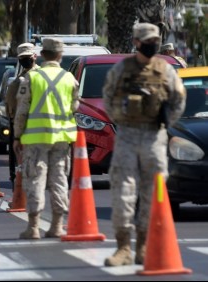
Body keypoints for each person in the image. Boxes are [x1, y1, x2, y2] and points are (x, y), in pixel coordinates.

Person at [102, 23, 186, 266]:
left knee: (154, 192)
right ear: (136, 42)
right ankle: (123, 247)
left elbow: (179, 99)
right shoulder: (122, 69)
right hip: (128, 136)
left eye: (155, 40)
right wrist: (121, 120)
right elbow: (108, 97)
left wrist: (165, 122)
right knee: (123, 191)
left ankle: (144, 245)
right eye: (147, 40)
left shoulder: (166, 70)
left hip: (154, 137)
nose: (152, 44)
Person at [13, 38, 80, 239]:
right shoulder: (70, 79)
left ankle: (33, 227)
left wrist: (17, 136)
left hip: (36, 138)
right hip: (61, 138)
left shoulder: (32, 79)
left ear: (42, 55)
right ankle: (57, 225)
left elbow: (22, 111)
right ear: (60, 55)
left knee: (35, 178)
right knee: (59, 179)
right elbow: (75, 107)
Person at [5, 43, 40, 190]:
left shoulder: (20, 81)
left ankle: (20, 184)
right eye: (22, 58)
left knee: (22, 161)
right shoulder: (44, 77)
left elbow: (11, 106)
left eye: (26, 58)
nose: (25, 60)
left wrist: (15, 129)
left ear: (35, 57)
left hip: (25, 126)